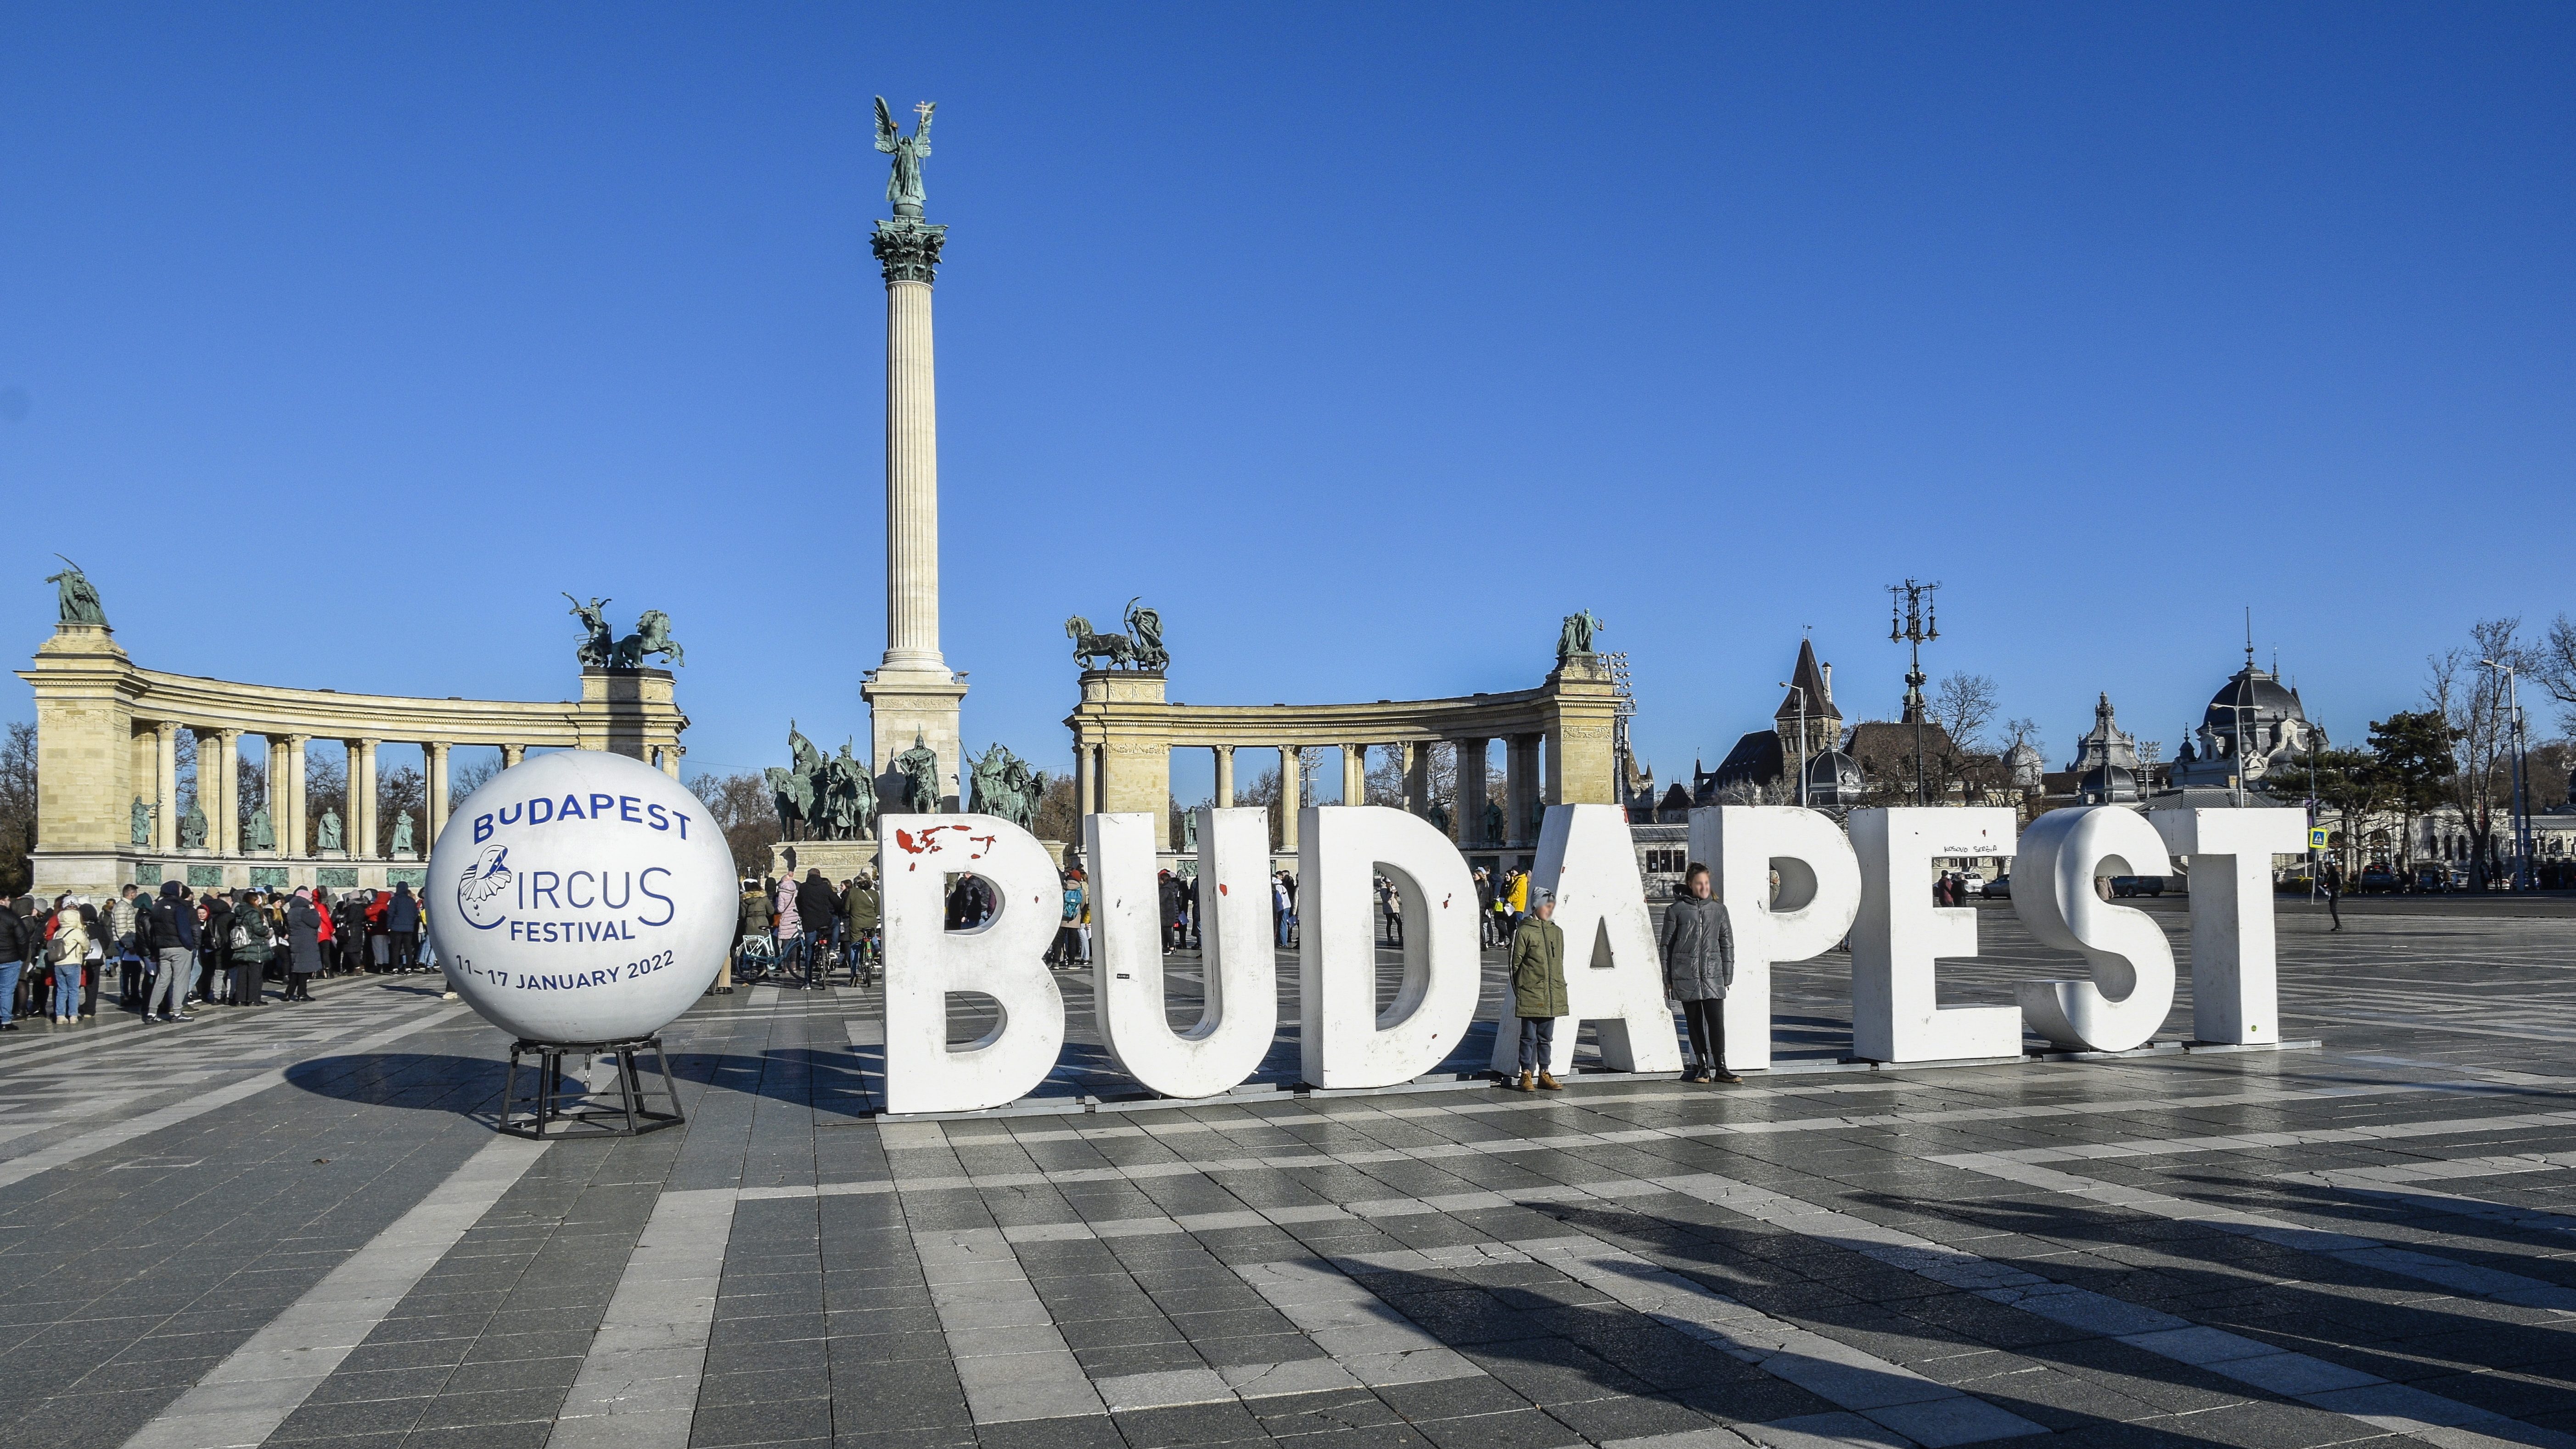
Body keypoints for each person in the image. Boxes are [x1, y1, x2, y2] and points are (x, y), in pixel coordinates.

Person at [1658, 863, 1738, 1084]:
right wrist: (1667, 978)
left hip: (1713, 974)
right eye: (1699, 883)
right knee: (1693, 1022)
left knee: (1716, 1022)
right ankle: (1703, 1067)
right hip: (1686, 974)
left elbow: (1727, 944)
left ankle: (1721, 1067)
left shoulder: (1719, 910)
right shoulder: (1675, 911)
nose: (1703, 887)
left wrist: (1727, 975)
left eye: (1706, 883)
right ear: (1690, 885)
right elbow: (1666, 945)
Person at [1509, 889, 1566, 1093]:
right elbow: (1514, 965)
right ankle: (1525, 1074)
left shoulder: (1556, 932)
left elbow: (1559, 962)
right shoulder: (1523, 931)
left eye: (1552, 906)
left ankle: (1545, 1072)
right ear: (1536, 906)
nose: (1549, 910)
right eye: (1546, 906)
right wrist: (1522, 992)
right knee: (1528, 1037)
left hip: (1552, 994)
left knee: (1546, 1038)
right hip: (1531, 993)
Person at [140, 880, 194, 1022]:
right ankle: (177, 1012)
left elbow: (152, 930)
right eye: (181, 889)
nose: (182, 891)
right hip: (179, 947)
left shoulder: (157, 906)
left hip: (162, 948)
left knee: (162, 980)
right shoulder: (179, 906)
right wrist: (190, 946)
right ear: (175, 891)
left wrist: (155, 948)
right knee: (180, 980)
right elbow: (184, 930)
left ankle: (152, 1013)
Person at [47, 899, 89, 1025]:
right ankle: (73, 1015)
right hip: (73, 963)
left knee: (61, 990)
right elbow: (86, 945)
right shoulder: (77, 932)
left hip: (59, 964)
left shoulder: (57, 933)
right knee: (73, 990)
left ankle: (60, 1015)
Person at [797, 869, 839, 987]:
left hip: (809, 923)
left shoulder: (803, 887)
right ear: (820, 876)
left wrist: (802, 913)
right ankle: (833, 949)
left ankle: (807, 982)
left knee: (809, 951)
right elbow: (836, 901)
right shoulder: (825, 887)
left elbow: (798, 902)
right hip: (825, 921)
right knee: (836, 923)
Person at [231, 891, 273, 1006]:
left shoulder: (240, 911)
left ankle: (240, 999)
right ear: (253, 900)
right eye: (257, 900)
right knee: (255, 974)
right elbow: (258, 929)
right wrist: (268, 931)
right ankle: (254, 999)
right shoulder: (253, 912)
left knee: (242, 975)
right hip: (255, 946)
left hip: (242, 946)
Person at [284, 888, 323, 1001]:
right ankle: (302, 993)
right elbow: (316, 922)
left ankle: (289, 993)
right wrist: (314, 911)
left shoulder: (292, 911)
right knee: (304, 970)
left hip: (296, 942)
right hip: (306, 942)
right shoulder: (304, 911)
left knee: (297, 968)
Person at [845, 873, 880, 984]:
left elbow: (847, 908)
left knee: (855, 948)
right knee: (870, 937)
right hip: (871, 923)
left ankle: (854, 974)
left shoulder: (853, 892)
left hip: (856, 924)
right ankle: (871, 952)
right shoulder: (874, 894)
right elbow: (878, 911)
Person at [0, 891, 26, 1031]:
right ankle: (6, 1021)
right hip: (11, 958)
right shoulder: (12, 917)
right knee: (6, 991)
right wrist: (21, 957)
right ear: (3, 900)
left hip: (10, 958)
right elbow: (22, 939)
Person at [774, 875, 804, 986]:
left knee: (786, 942)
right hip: (795, 918)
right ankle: (794, 966)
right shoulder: (795, 891)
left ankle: (786, 967)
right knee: (795, 942)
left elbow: (781, 909)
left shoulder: (782, 893)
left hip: (786, 919)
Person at [388, 881, 421, 972]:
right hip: (409, 928)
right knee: (408, 948)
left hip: (396, 927)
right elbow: (415, 914)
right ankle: (409, 967)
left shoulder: (395, 900)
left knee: (396, 948)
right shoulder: (411, 900)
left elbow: (391, 913)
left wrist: (389, 926)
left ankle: (395, 968)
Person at [2323, 862, 2344, 932]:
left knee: (2333, 908)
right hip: (2331, 894)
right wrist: (2324, 886)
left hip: (2336, 893)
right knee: (2332, 909)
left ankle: (2338, 925)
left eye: (2327, 867)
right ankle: (2337, 925)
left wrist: (2331, 888)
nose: (2326, 869)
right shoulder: (2329, 875)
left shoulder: (2336, 874)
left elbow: (2340, 885)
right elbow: (2327, 883)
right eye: (2326, 867)